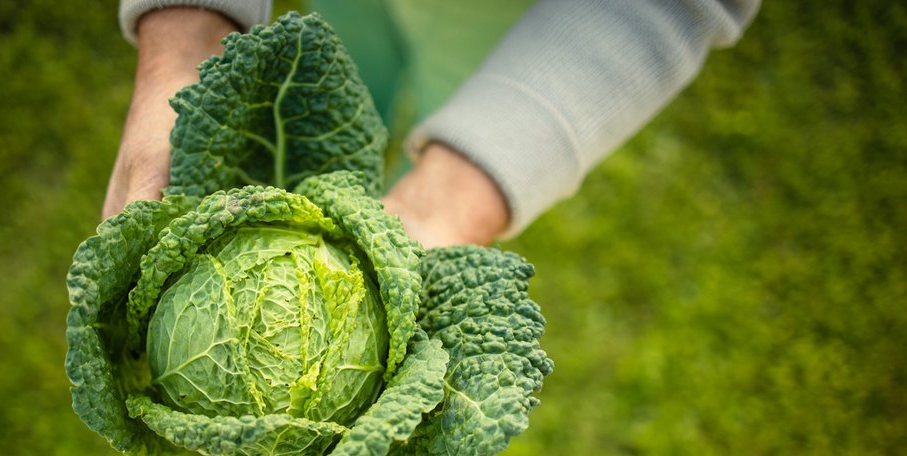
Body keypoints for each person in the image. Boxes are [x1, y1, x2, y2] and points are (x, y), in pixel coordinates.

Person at [104, 0, 760, 248]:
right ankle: (329, 189)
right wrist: (184, 42)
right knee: (328, 90)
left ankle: (398, 194)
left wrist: (467, 185)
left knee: (461, 104)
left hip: (517, 27)